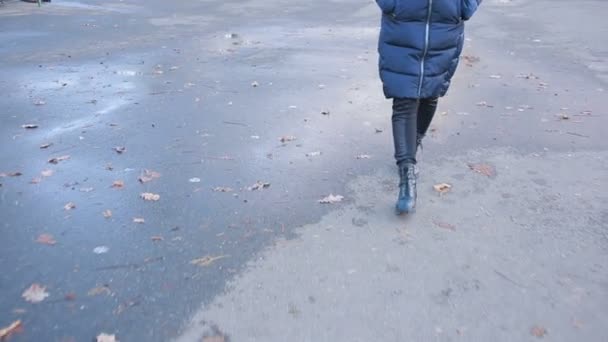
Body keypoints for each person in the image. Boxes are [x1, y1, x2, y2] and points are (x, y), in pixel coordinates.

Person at [375, 0, 482, 214]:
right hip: (403, 26)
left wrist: (464, 6)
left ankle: (413, 143)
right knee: (404, 99)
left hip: (445, 26)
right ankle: (407, 175)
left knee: (430, 95)